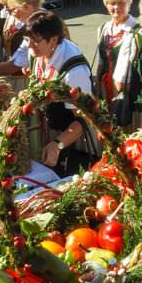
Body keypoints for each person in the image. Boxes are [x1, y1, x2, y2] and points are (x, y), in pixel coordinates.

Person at [26, 10, 95, 176]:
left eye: (35, 41)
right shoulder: (38, 52)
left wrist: (58, 145)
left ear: (54, 40)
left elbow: (84, 120)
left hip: (73, 140)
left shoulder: (74, 71)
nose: (29, 45)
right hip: (51, 131)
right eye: (27, 39)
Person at [95, 0, 138, 111]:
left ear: (129, 3)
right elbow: (100, 62)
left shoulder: (136, 30)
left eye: (121, 3)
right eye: (112, 3)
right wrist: (97, 85)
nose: (116, 8)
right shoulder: (103, 28)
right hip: (104, 88)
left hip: (125, 90)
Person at [0, 0, 47, 76]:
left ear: (26, 7)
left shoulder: (42, 25)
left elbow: (15, 64)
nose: (10, 14)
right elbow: (18, 59)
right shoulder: (33, 25)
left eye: (11, 10)